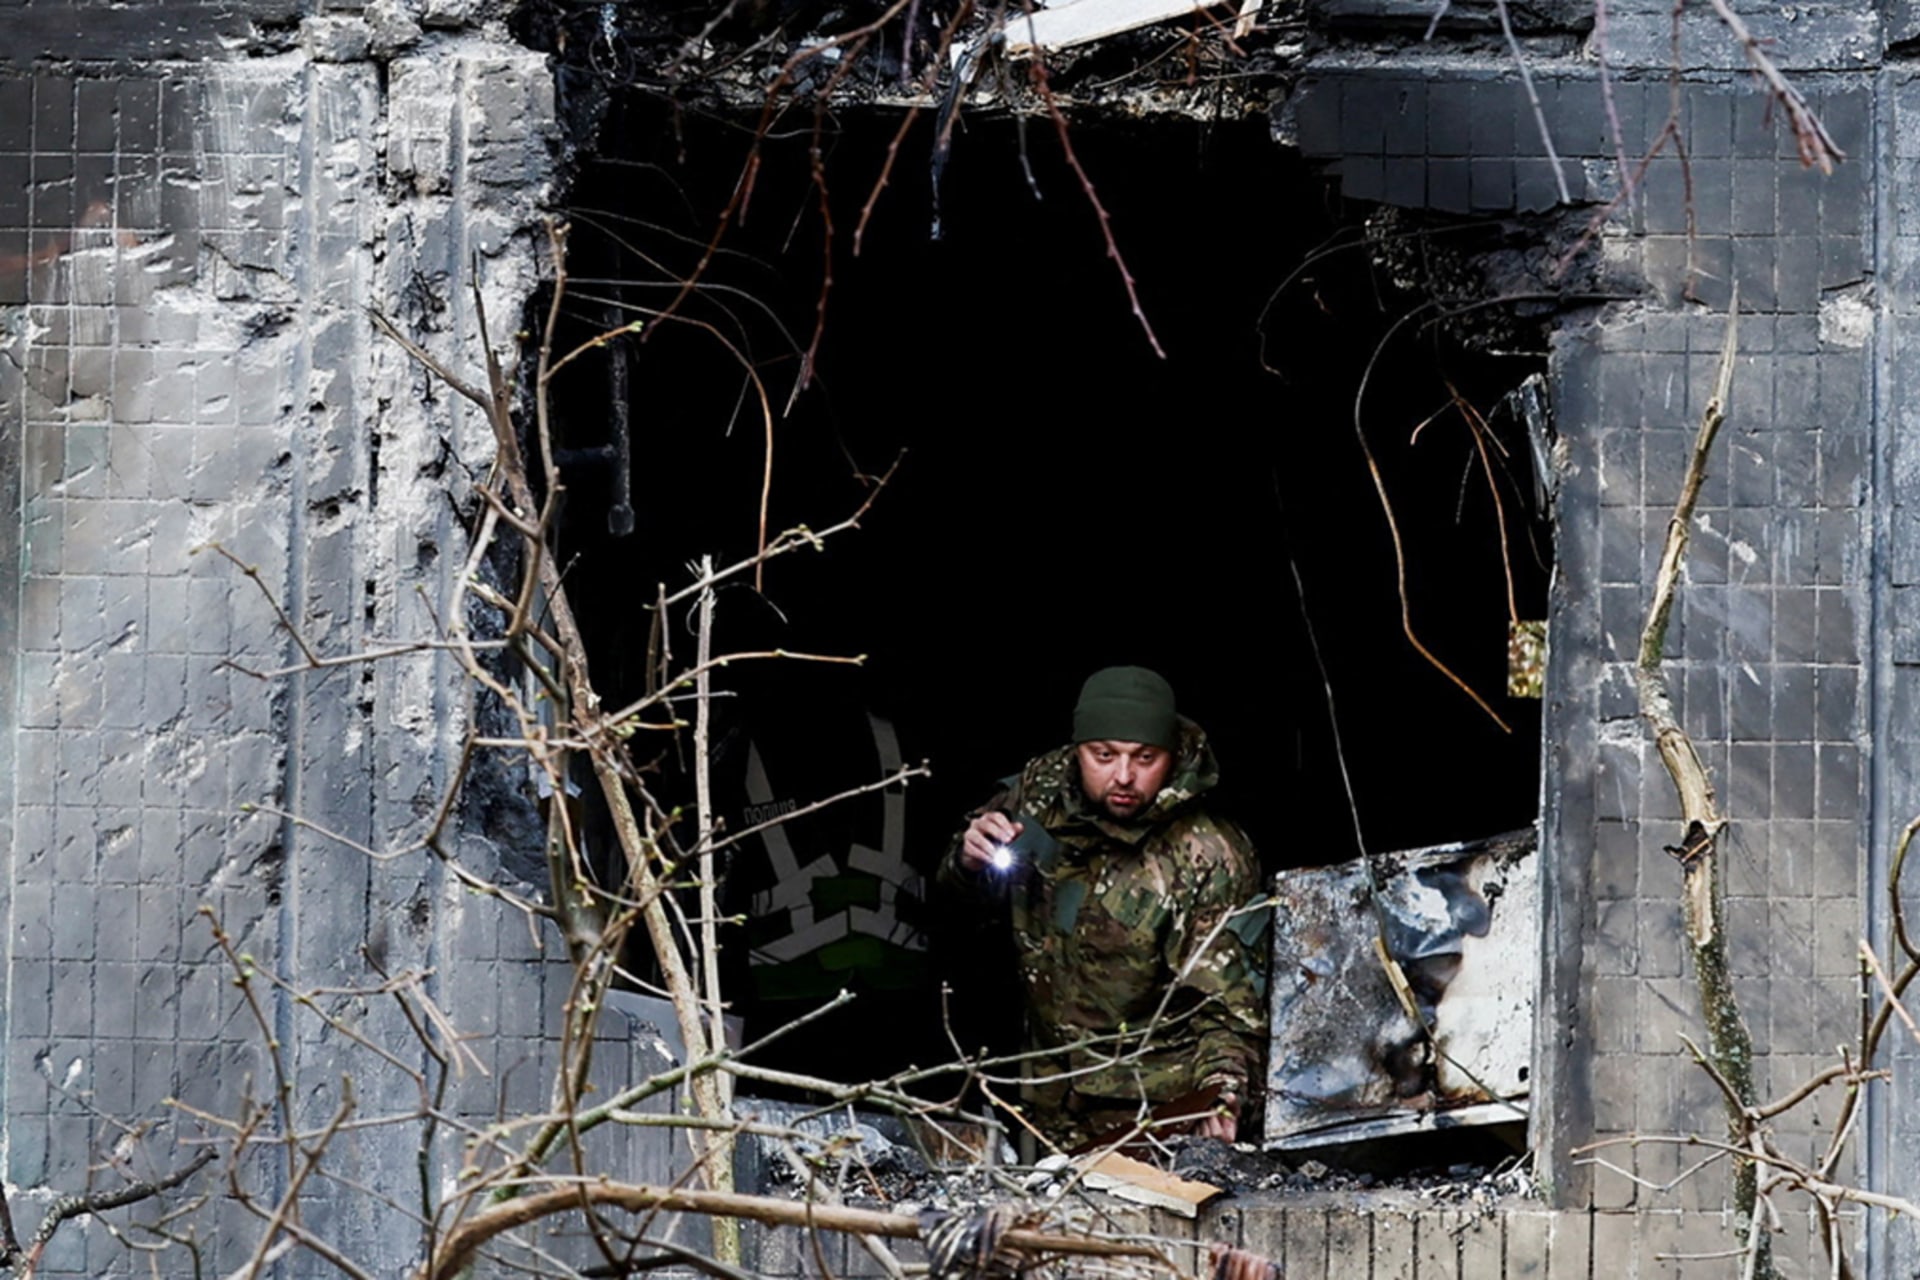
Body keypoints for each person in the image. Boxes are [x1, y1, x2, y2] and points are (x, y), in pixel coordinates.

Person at [938, 666, 1268, 1148]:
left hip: (1152, 1116)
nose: (1124, 776)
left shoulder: (1208, 854)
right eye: (1104, 754)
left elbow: (1228, 1009)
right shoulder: (1034, 800)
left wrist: (1223, 1093)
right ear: (1078, 751)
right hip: (1042, 1101)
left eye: (1145, 757)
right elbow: (957, 910)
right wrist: (965, 862)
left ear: (1171, 757)